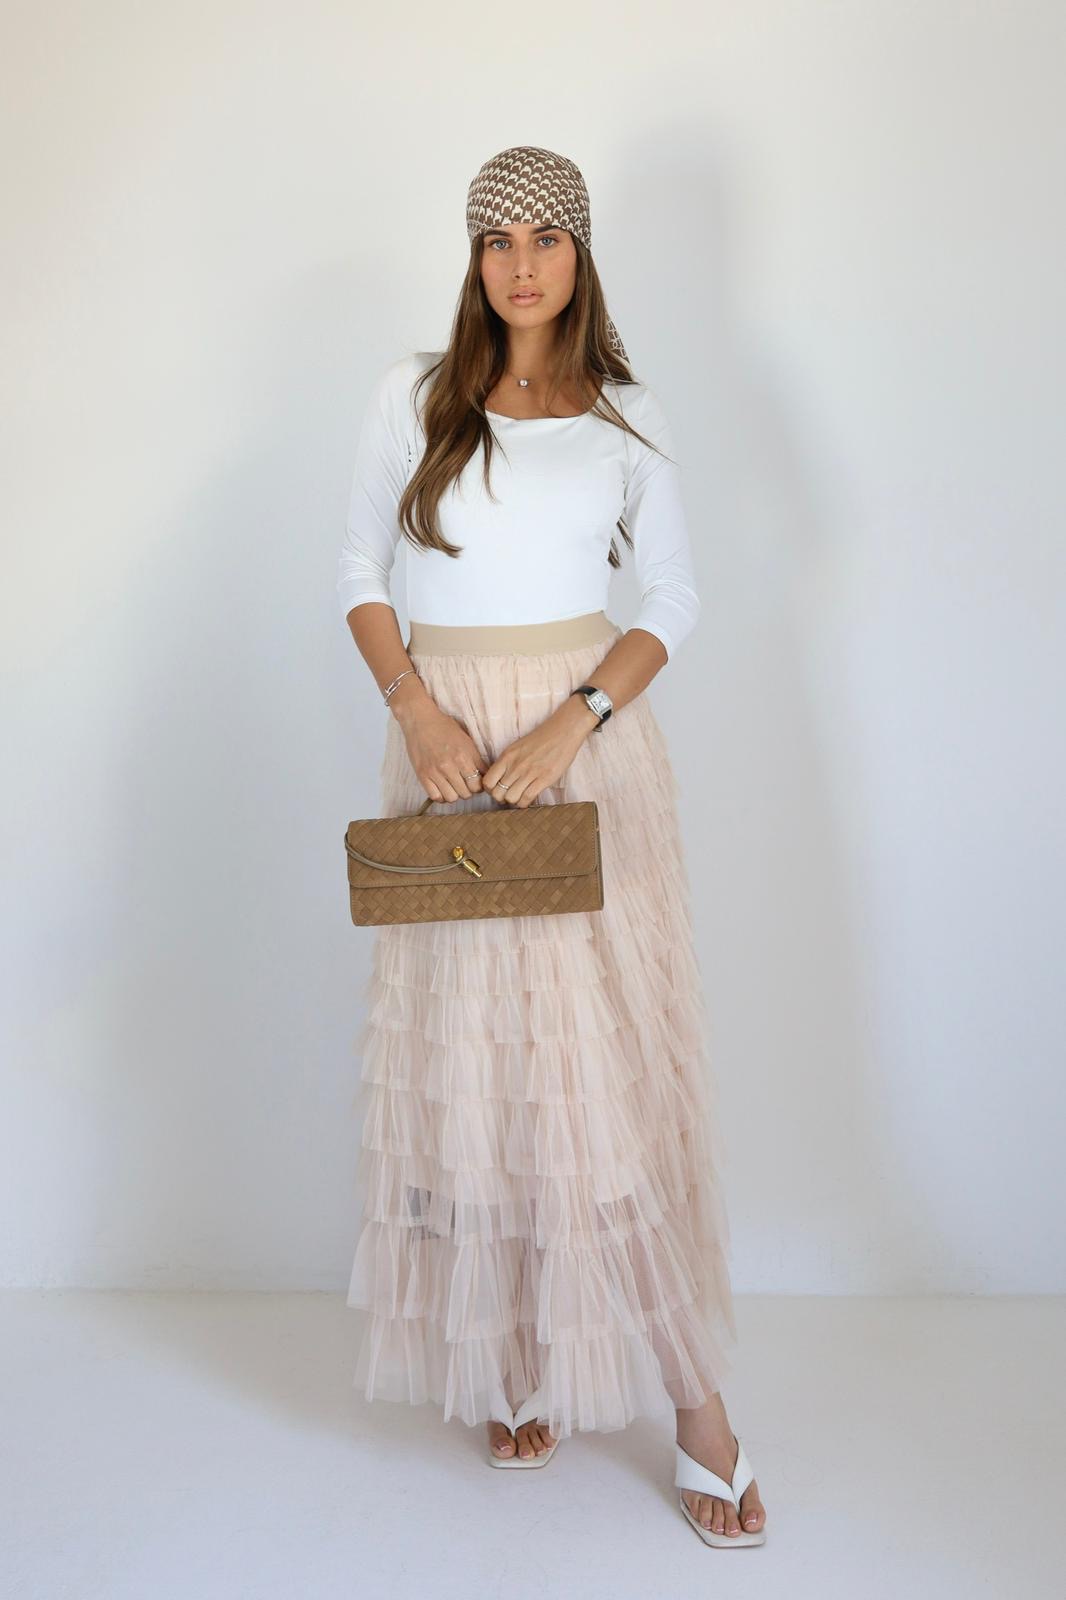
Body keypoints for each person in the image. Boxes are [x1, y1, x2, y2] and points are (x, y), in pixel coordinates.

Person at [337, 145, 767, 1548]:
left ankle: (701, 1414)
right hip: (447, 750)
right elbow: (358, 572)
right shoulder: (415, 399)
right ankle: (512, 1359)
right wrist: (416, 710)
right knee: (479, 1065)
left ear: (582, 256)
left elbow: (673, 597)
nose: (521, 265)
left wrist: (573, 720)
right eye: (497, 240)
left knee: (608, 1078)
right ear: (473, 260)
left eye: (546, 238)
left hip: (581, 755)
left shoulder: (625, 418)